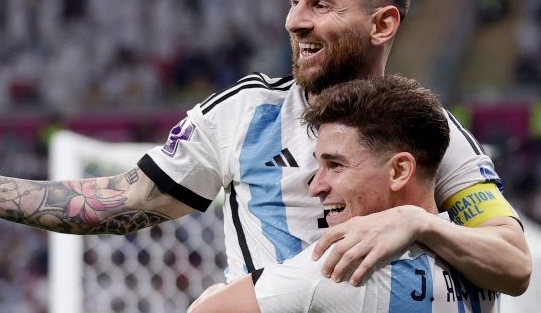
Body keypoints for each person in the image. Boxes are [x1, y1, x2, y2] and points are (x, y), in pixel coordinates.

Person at [0, 0, 530, 294]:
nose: (295, 21)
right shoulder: (243, 115)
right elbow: (118, 205)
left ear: (383, 22)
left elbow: (513, 263)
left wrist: (419, 225)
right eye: (294, 1)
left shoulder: (430, 133)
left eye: (320, 6)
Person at [187, 75, 499, 312]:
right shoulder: (481, 264)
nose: (315, 186)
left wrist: (213, 296)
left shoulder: (337, 269)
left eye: (335, 165)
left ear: (399, 171)